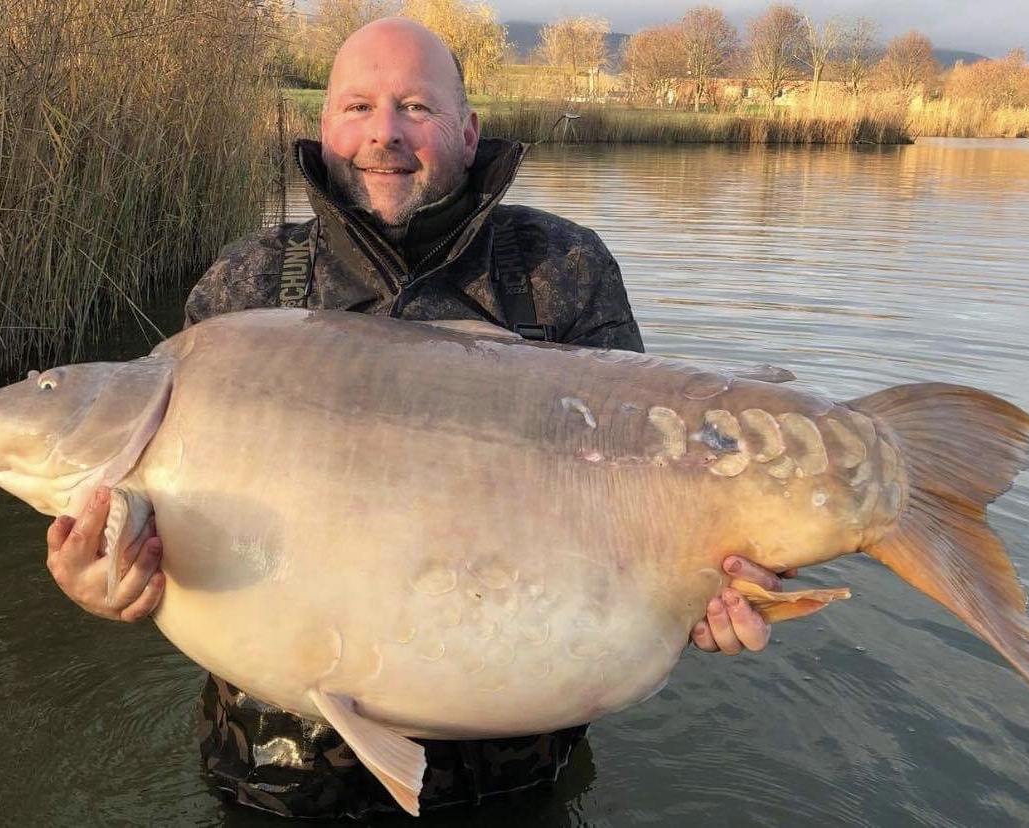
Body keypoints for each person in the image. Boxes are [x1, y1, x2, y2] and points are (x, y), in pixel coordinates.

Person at [45, 17, 794, 819]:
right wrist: (100, 579)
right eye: (358, 107)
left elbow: (659, 484)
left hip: (516, 766)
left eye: (415, 108)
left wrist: (724, 577)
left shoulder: (561, 270)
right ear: (325, 125)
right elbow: (149, 517)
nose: (384, 135)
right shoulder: (249, 282)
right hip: (275, 769)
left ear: (468, 132)